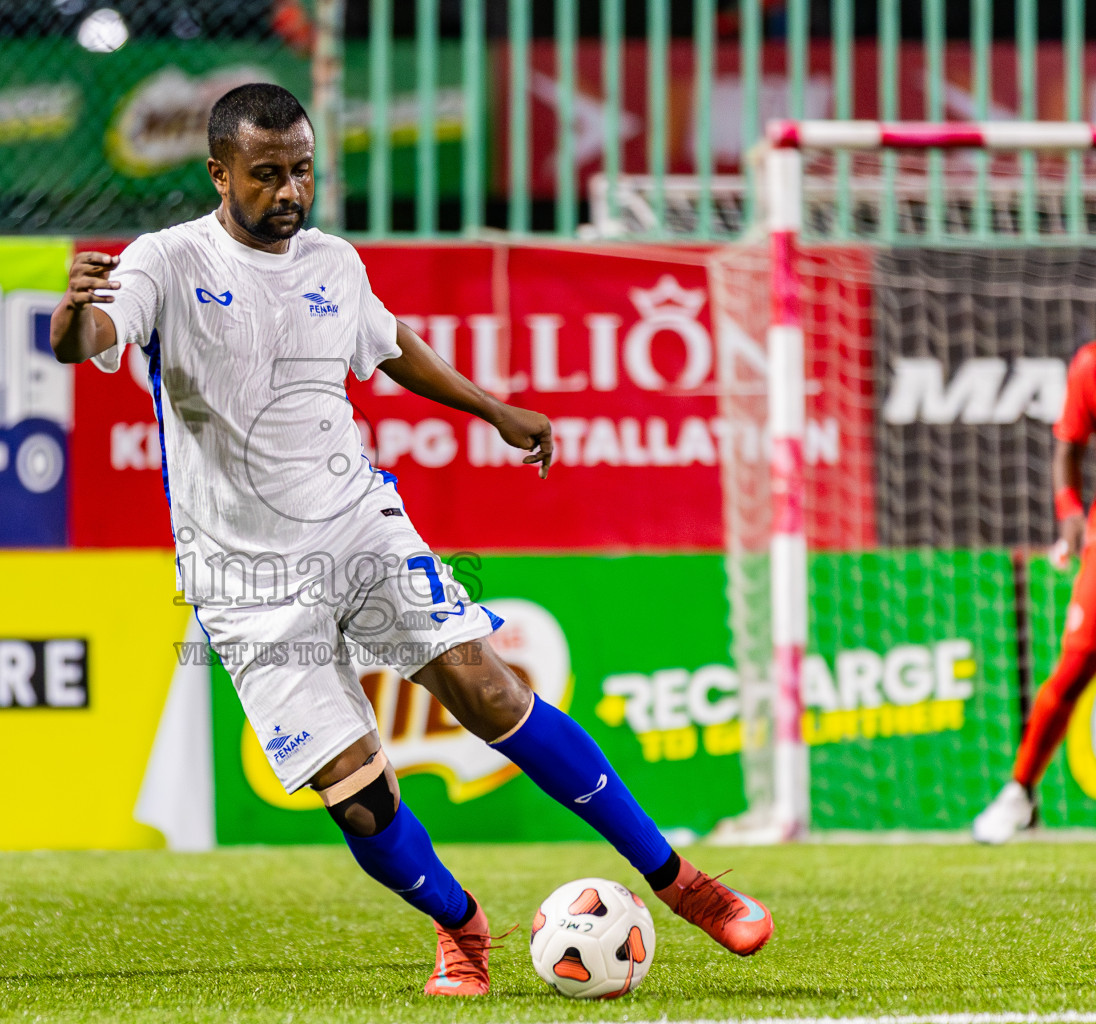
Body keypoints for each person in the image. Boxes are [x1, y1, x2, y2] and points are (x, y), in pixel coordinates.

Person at [50, 83, 773, 997]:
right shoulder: (165, 259)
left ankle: (681, 882)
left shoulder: (333, 262)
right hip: (242, 580)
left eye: (301, 170)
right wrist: (73, 314)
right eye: (265, 173)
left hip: (359, 526)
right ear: (218, 173)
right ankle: (460, 925)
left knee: (489, 688)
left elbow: (389, 346)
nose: (288, 190)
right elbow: (88, 338)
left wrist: (494, 409)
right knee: (358, 799)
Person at [975, 340, 1096, 844]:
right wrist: (1070, 514)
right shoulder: (1090, 365)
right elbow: (1069, 449)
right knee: (1075, 666)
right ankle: (1020, 790)